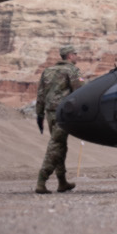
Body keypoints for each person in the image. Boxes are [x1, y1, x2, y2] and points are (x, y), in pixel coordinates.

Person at [34, 43, 83, 194]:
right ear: (70, 56)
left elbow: (41, 94)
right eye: (75, 54)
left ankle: (62, 182)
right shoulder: (72, 70)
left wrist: (40, 114)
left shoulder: (47, 71)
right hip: (63, 113)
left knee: (60, 144)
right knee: (56, 145)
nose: (77, 56)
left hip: (49, 112)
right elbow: (79, 92)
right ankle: (41, 181)